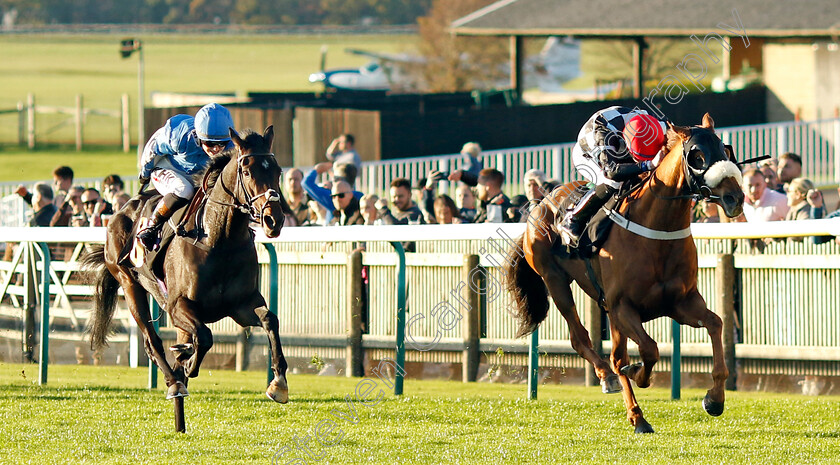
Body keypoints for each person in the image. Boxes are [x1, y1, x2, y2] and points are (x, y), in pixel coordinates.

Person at [558, 106, 666, 246]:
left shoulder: (658, 125)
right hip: (588, 153)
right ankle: (572, 219)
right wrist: (648, 165)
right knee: (612, 182)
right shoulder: (603, 133)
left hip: (620, 142)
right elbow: (612, 171)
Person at [136, 103, 235, 250]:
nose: (216, 149)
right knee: (184, 190)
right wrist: (144, 175)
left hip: (197, 174)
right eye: (210, 143)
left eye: (221, 143)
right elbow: (152, 150)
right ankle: (151, 227)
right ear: (199, 137)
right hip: (166, 166)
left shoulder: (231, 145)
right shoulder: (180, 138)